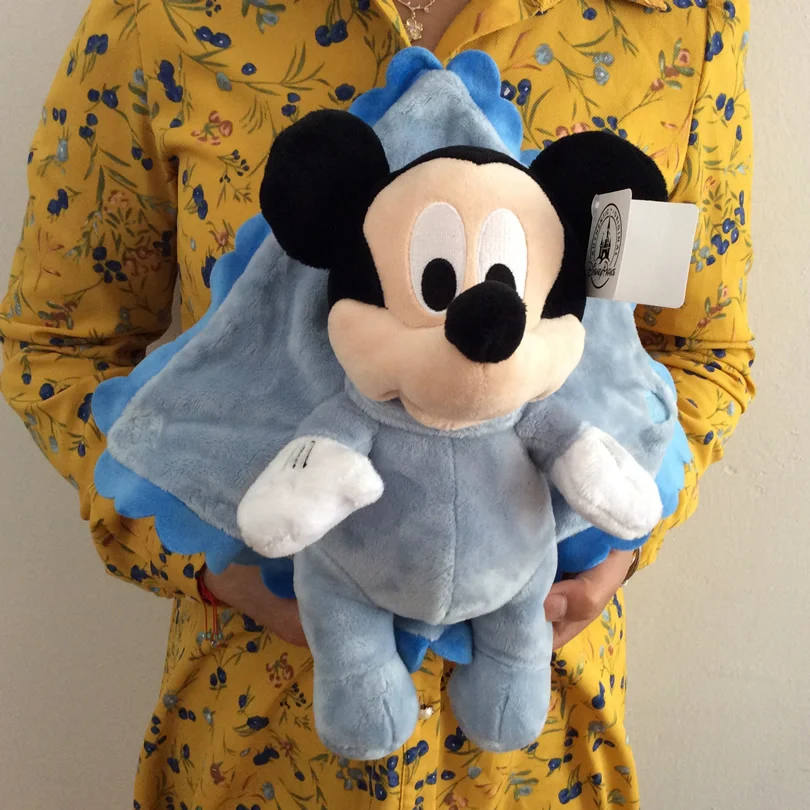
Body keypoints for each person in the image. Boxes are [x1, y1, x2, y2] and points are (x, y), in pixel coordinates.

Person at [0, 0, 753, 807]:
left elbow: (702, 352)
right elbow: (55, 345)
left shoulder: (679, 26)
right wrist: (214, 564)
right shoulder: (163, 19)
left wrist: (620, 541)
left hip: (537, 741)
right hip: (261, 734)